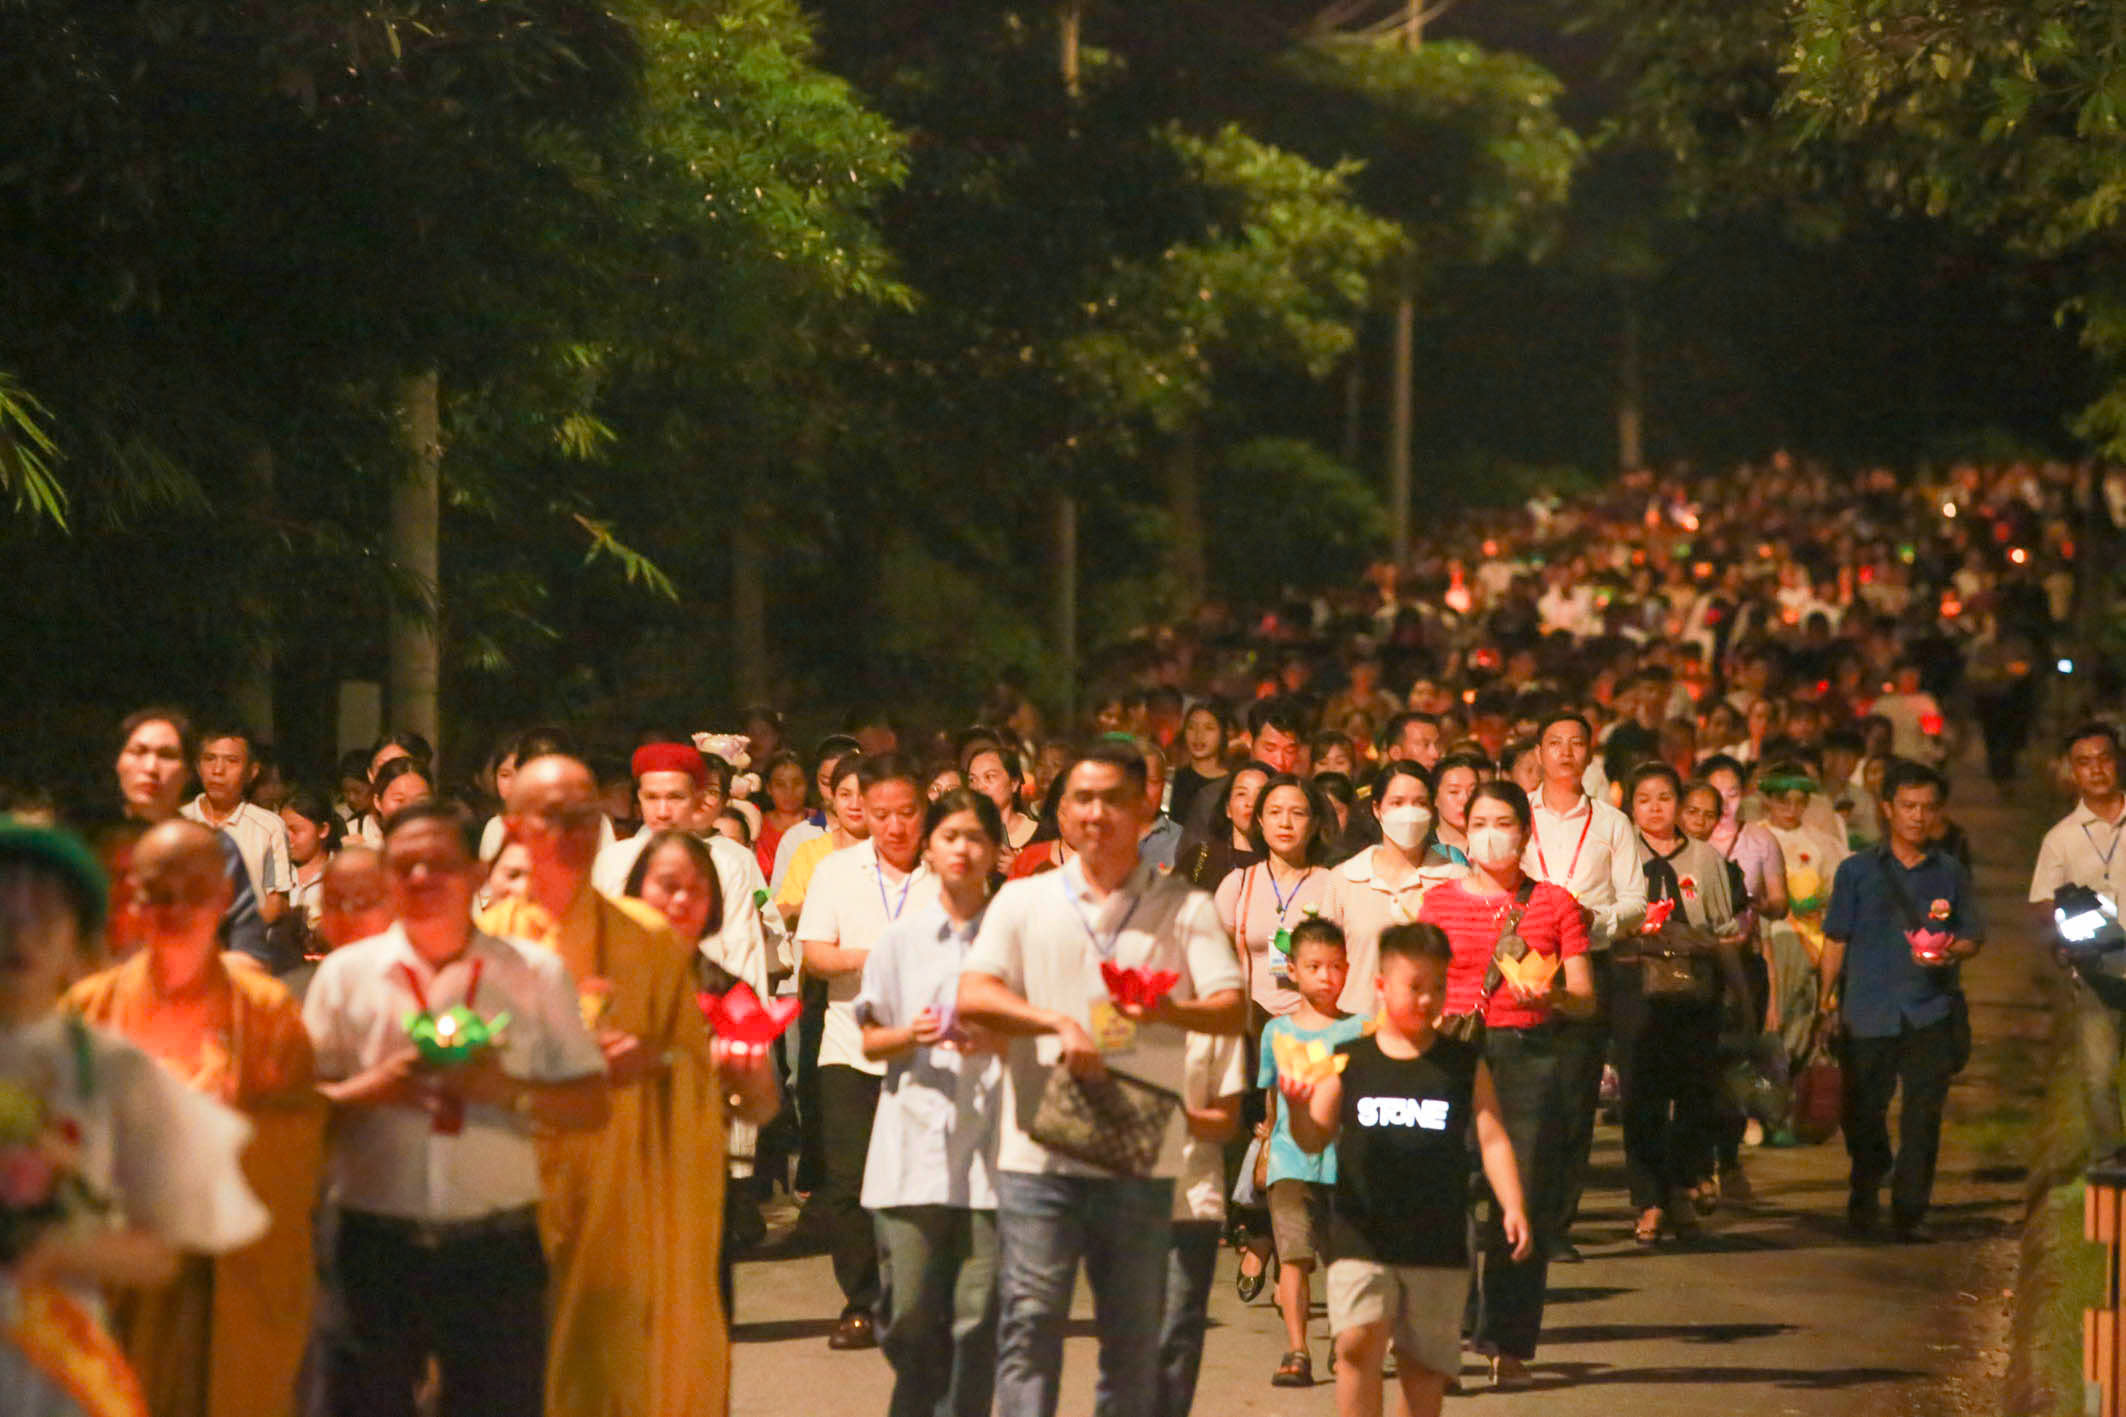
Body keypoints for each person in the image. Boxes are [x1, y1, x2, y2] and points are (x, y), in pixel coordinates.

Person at [957, 742, 1247, 1417]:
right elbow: (974, 993)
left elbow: (1231, 1005)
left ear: (1145, 805)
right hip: (1037, 1153)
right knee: (1028, 1326)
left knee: (1132, 1343)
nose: (1095, 813)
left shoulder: (1185, 906)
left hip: (1137, 1158)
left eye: (1111, 798)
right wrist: (1054, 1023)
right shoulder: (1023, 899)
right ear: (1059, 810)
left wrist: (1165, 1007)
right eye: (1080, 799)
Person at [478, 758, 774, 1416]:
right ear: (514, 828)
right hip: (517, 1211)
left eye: (584, 815)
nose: (571, 831)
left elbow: (699, 1076)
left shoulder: (649, 944)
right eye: (551, 816)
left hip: (633, 1213)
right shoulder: (484, 947)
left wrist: (660, 1061)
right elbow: (452, 1060)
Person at [305, 803, 611, 1417]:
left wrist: (508, 1090)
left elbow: (592, 1102)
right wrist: (372, 1088)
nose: (420, 878)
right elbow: (294, 1111)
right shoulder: (345, 976)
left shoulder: (533, 973)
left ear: (475, 874)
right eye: (405, 865)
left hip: (494, 1248)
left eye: (439, 864)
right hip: (373, 1244)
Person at [0, 818, 271, 1417]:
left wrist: (51, 1249)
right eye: (1, 911)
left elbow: (160, 1248)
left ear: (78, 943)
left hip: (54, 1364)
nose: (18, 934)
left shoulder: (110, 1070)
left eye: (41, 915)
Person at [64, 821, 323, 1417]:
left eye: (193, 889)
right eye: (157, 891)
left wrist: (224, 1128)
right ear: (132, 898)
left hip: (231, 1271)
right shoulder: (87, 1008)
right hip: (124, 1264)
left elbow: (306, 1130)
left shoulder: (264, 1010)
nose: (175, 907)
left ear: (222, 892)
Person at [1279, 923, 1533, 1417]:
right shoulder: (1349, 1061)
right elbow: (1313, 1139)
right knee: (1356, 1344)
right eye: (1414, 986)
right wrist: (1294, 1108)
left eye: (1437, 986)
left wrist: (1513, 1204)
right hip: (1361, 1232)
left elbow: (1492, 1135)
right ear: (1381, 987)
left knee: (1422, 1366)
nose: (1427, 999)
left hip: (1435, 1238)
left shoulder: (1462, 1064)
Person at [1418, 780, 1592, 1388]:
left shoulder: (1555, 903)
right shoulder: (1437, 903)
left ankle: (1508, 1345)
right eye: (1481, 822)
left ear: (1526, 831)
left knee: (1524, 1200)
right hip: (1451, 1056)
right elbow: (1420, 978)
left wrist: (1554, 995)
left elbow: (1587, 998)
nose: (1493, 833)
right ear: (1464, 831)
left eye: (1505, 822)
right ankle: (1443, 1339)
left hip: (1527, 1056)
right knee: (1444, 1199)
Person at [854, 788, 1006, 1417]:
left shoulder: (1017, 937)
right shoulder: (902, 939)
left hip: (995, 1154)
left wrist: (998, 1034)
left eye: (975, 837)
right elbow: (869, 1040)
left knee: (977, 1321)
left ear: (995, 849)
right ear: (930, 847)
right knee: (911, 1316)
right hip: (911, 1151)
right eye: (950, 837)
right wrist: (909, 1036)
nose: (962, 850)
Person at [795, 753, 935, 1350]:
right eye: (881, 815)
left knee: (922, 1183)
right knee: (849, 1183)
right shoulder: (835, 871)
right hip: (849, 1046)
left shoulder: (946, 870)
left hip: (929, 1050)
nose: (894, 827)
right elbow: (815, 955)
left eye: (907, 813)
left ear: (924, 811)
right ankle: (862, 1301)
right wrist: (871, 957)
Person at [622, 830, 784, 1316]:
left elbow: (760, 1106)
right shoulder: (602, 975)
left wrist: (746, 1079)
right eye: (666, 884)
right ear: (635, 890)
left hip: (693, 1184)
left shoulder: (727, 989)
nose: (680, 900)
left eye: (696, 889)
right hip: (613, 1184)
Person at [1821, 759, 1982, 1241]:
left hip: (1929, 1010)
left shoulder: (1951, 872)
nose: (1917, 816)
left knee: (1923, 1115)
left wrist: (1949, 951)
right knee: (1863, 1111)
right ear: (1887, 808)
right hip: (1867, 1010)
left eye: (1927, 808)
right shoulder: (1856, 871)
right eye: (1908, 806)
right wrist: (1823, 1003)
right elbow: (1835, 940)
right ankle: (1866, 1186)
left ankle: (1910, 1210)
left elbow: (1973, 935)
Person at [1522, 712, 1645, 1262]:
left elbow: (1636, 902)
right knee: (1524, 1098)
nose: (1566, 752)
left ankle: (1557, 1223)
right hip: (1523, 967)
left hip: (1588, 968)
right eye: (1555, 742)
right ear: (1539, 752)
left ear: (1589, 755)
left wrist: (1591, 920)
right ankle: (1517, 1213)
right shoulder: (1516, 814)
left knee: (1574, 1098)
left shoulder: (1613, 822)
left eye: (1576, 744)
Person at [1615, 763, 1743, 1244]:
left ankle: (1684, 1186)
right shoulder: (1620, 852)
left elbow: (1723, 929)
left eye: (1664, 797)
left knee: (1693, 1092)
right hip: (1635, 989)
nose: (1654, 807)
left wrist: (1741, 998)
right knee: (1641, 1097)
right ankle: (1648, 1200)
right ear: (1631, 805)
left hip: (1693, 988)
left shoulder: (1707, 859)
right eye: (1644, 798)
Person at [1254, 918, 1366, 1388]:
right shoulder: (1276, 1032)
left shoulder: (1361, 1030)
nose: (1327, 976)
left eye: (1336, 966)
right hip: (1290, 1161)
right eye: (1315, 966)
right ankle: (1297, 1348)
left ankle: (1344, 1348)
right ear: (1292, 971)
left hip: (1346, 1166)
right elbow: (1272, 1099)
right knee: (1294, 1258)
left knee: (1345, 1264)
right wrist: (1263, 1152)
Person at [591, 742, 770, 1006]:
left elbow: (744, 957)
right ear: (638, 800)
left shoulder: (725, 866)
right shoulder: (613, 862)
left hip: (704, 1019)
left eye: (675, 797)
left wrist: (743, 1033)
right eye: (652, 798)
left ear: (698, 799)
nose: (663, 812)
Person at [2028, 722, 2126, 1157]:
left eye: (2104, 758)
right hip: (2096, 972)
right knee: (2097, 1076)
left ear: (2118, 761)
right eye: (2084, 762)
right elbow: (2041, 905)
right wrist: (2064, 939)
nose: (2097, 770)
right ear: (2072, 772)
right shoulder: (2061, 839)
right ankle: (2114, 1164)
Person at [115, 708, 267, 965]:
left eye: (167, 755)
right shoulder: (92, 844)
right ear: (118, 762)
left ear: (188, 771)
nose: (151, 767)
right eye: (138, 752)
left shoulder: (214, 849)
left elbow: (251, 956)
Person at [1155, 1027, 1246, 1417]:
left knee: (1179, 1332)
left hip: (1194, 1194)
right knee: (1127, 1337)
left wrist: (1170, 1117)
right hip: (1121, 1192)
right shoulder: (1116, 996)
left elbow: (1227, 1121)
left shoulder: (1215, 1016)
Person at [1325, 762, 1465, 1013]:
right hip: (1357, 1027)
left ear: (1432, 810)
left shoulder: (1455, 878)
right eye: (1397, 803)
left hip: (1432, 1026)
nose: (1409, 814)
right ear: (1377, 808)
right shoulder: (1343, 879)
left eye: (1420, 803)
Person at [1214, 775, 1335, 1021]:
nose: (1285, 823)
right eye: (1275, 812)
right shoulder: (1237, 884)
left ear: (1314, 824)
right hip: (1250, 1025)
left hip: (1312, 1025)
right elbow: (1212, 961)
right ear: (1260, 820)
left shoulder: (1333, 884)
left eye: (1298, 814)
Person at [1758, 759, 1848, 1082]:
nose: (1791, 808)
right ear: (1766, 799)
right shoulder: (1753, 838)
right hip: (1772, 939)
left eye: (1800, 801)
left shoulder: (1823, 844)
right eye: (1783, 800)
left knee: (1805, 1017)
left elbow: (1842, 891)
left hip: (1815, 939)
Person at [181, 726, 293, 927]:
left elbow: (277, 902)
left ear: (252, 772)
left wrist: (241, 937)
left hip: (245, 948)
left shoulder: (269, 827)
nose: (218, 770)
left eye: (231, 761)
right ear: (198, 767)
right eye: (209, 759)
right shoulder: (177, 823)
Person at [1179, 760, 1269, 890]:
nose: (1251, 803)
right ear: (1228, 808)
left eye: (1260, 795)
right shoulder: (1200, 856)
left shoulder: (1283, 864)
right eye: (1241, 794)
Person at [1168, 702, 1229, 824]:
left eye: (1209, 728)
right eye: (1192, 727)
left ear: (1222, 734)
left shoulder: (1230, 785)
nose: (1199, 735)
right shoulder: (1173, 779)